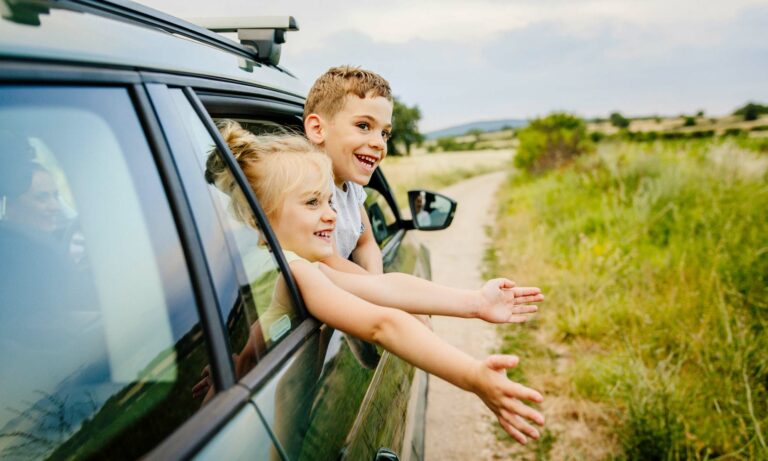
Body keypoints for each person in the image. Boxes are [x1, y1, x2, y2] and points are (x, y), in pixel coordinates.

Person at [206, 120, 545, 444]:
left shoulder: (310, 266)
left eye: (329, 200)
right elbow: (383, 323)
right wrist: (472, 376)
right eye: (312, 202)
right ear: (259, 217)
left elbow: (384, 287)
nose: (331, 214)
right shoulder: (300, 272)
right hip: (277, 427)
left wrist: (475, 302)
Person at [302, 65, 394, 275]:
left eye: (385, 133)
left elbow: (366, 243)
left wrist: (377, 280)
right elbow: (329, 261)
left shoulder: (351, 188)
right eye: (363, 126)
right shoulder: (310, 187)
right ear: (318, 129)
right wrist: (384, 290)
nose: (379, 143)